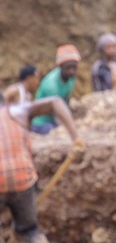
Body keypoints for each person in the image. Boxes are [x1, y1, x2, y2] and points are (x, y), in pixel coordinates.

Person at [0, 92, 84, 243]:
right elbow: (55, 101)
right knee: (28, 231)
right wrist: (76, 138)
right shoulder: (17, 111)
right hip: (22, 179)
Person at [31, 45, 80, 134]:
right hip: (41, 122)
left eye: (74, 67)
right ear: (60, 66)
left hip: (55, 117)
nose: (72, 71)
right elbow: (57, 112)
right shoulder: (51, 84)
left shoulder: (71, 78)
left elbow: (65, 99)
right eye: (68, 68)